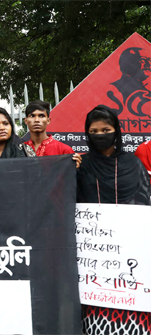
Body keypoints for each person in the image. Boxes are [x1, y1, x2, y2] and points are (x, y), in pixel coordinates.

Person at [78, 106, 151, 335]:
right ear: (87, 134)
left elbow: (144, 204)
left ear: (116, 131)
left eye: (106, 129)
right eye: (94, 131)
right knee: (96, 316)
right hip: (95, 258)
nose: (100, 135)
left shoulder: (133, 164)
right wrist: (69, 171)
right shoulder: (82, 165)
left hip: (131, 258)